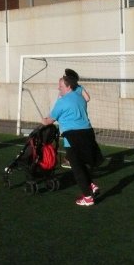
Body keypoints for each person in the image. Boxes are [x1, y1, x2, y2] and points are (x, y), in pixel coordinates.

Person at [42, 75, 103, 207]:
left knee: (77, 169)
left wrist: (43, 119)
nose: (59, 88)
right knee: (82, 164)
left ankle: (88, 198)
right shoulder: (80, 97)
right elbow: (86, 99)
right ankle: (91, 186)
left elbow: (49, 121)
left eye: (61, 86)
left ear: (68, 86)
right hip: (88, 134)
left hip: (73, 138)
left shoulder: (62, 102)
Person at [60, 68, 90, 169]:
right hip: (81, 119)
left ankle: (70, 160)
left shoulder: (67, 90)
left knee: (69, 141)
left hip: (69, 120)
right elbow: (87, 98)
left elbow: (60, 101)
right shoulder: (80, 88)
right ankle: (75, 159)